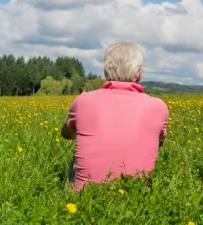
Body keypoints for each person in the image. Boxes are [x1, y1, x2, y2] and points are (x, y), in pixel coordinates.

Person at [61, 42, 169, 191]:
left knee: (77, 152)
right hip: (136, 193)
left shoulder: (83, 100)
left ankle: (79, 186)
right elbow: (160, 142)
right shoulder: (158, 107)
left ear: (106, 73)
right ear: (139, 75)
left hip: (85, 196)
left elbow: (66, 135)